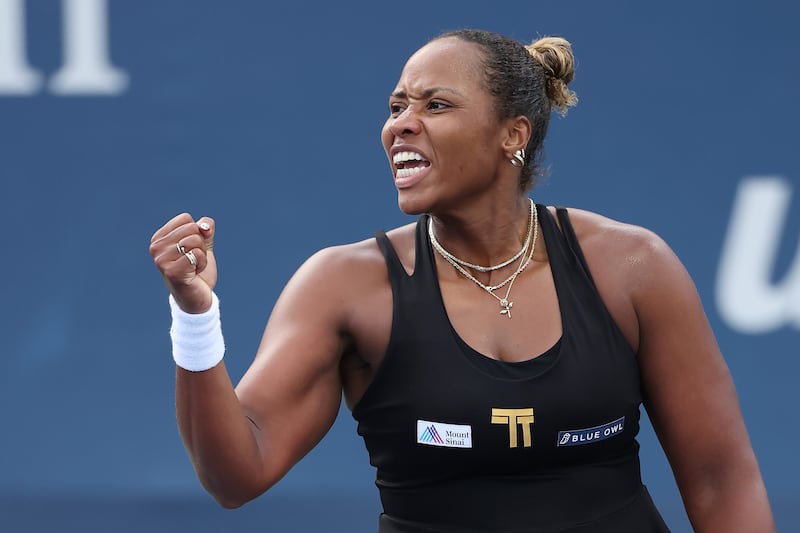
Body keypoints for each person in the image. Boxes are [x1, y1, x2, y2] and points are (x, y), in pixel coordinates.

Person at [149, 29, 775, 532]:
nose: (401, 124)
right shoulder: (342, 286)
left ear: (513, 135)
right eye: (396, 107)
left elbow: (720, 478)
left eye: (435, 105)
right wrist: (195, 316)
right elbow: (236, 476)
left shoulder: (632, 267)